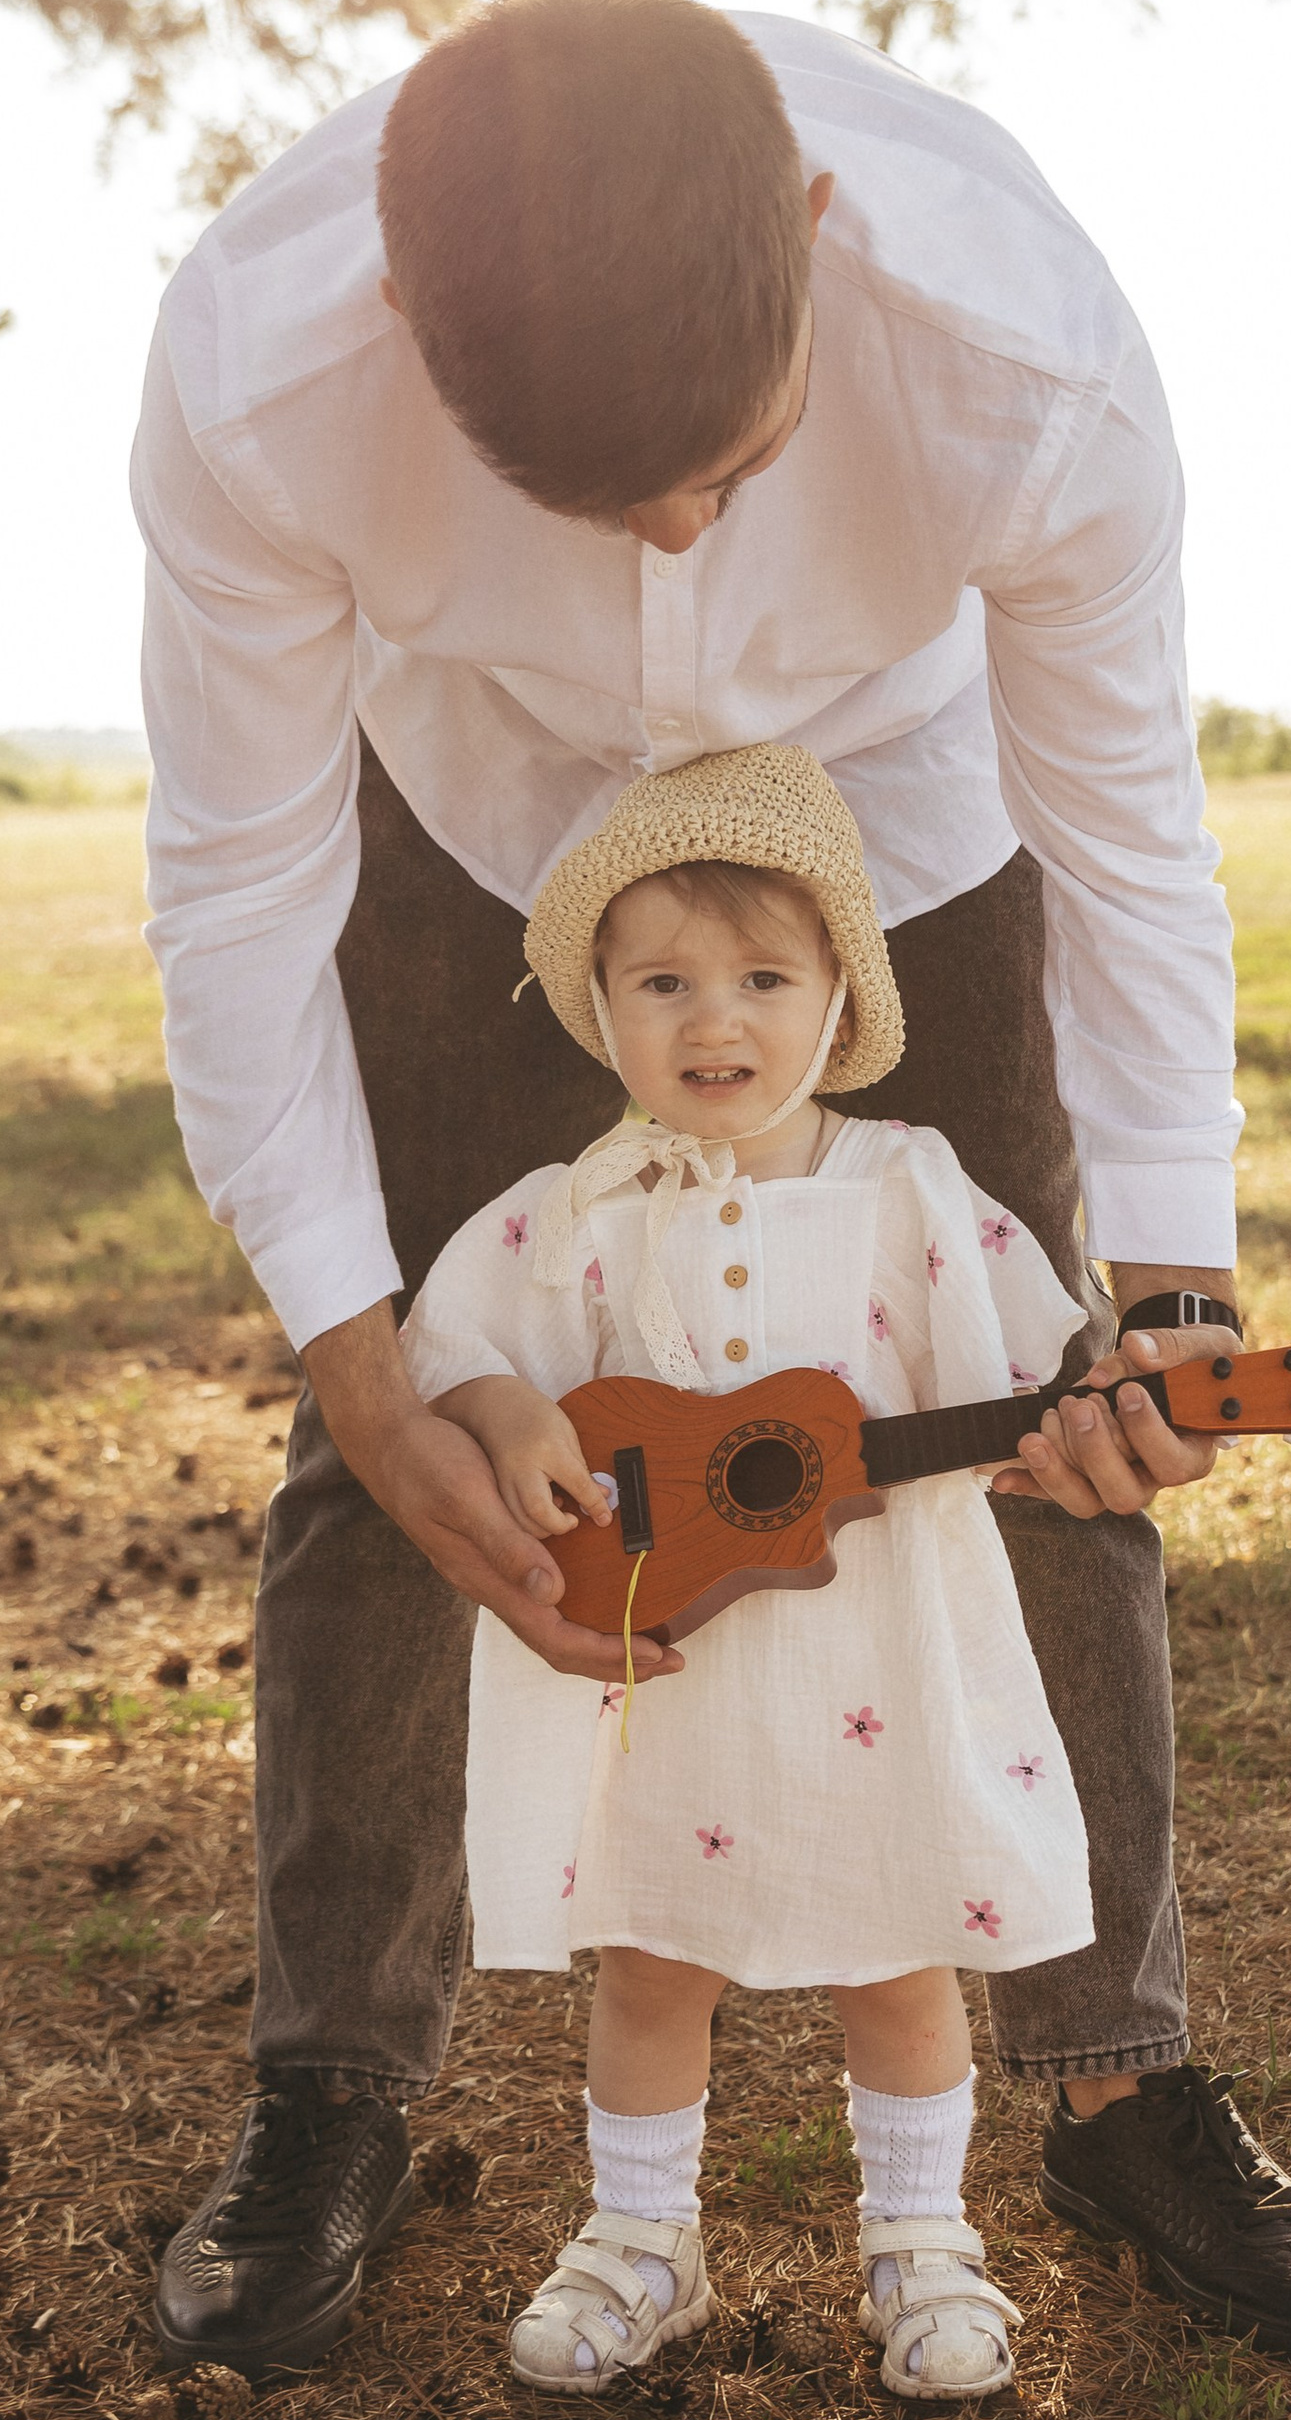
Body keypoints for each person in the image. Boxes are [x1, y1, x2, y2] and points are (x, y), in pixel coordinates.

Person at [136, 0, 1291, 2378]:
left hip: (902, 817)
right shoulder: (254, 379)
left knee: (1034, 1383)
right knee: (394, 1400)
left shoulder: (1026, 361)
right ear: (397, 321)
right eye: (600, 494)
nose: (678, 538)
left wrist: (1175, 1287)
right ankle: (332, 2082)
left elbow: (1134, 846)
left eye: (728, 461)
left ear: (819, 227)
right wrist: (370, 1367)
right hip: (475, 813)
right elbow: (234, 889)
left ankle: (1110, 2069)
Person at [402, 744, 1095, 2397]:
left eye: (763, 980)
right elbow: (455, 1344)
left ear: (839, 1000)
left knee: (902, 1952)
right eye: (665, 983)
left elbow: (1030, 1368)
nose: (715, 1021)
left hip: (880, 1663)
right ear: (607, 1008)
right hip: (670, 1679)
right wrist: (501, 1410)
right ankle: (643, 2242)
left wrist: (1074, 1424)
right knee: (653, 1958)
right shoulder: (580, 1206)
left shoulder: (907, 1188)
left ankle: (923, 2244)